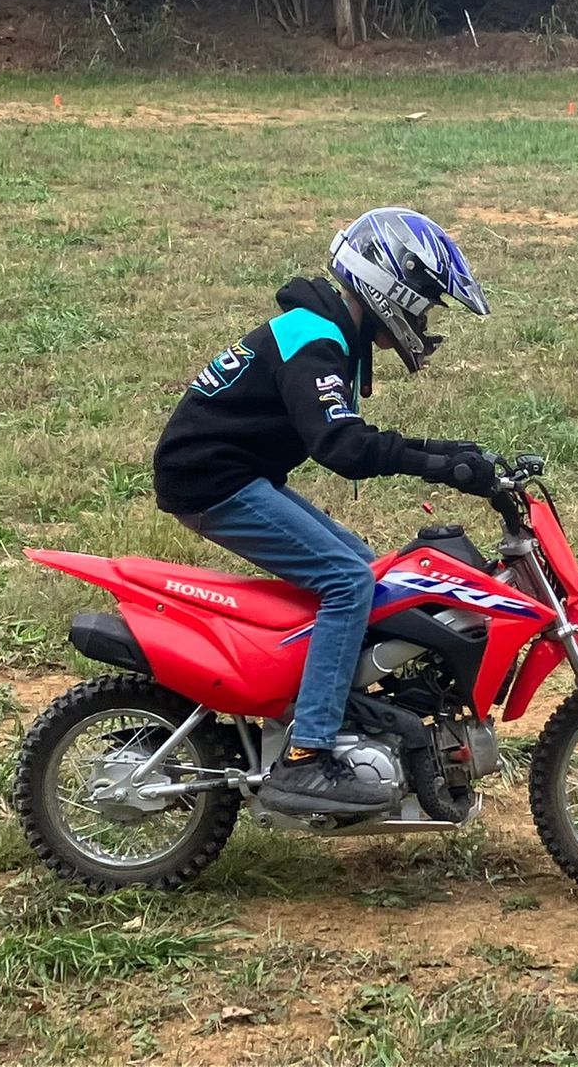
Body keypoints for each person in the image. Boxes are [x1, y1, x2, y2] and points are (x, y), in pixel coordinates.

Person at [153, 208, 496, 816]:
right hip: (212, 482)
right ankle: (306, 756)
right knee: (347, 580)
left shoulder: (325, 330)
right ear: (392, 285)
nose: (423, 320)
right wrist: (442, 464)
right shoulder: (315, 338)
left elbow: (351, 435)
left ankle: (332, 711)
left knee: (362, 569)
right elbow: (342, 446)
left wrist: (450, 455)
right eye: (425, 303)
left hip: (233, 473)